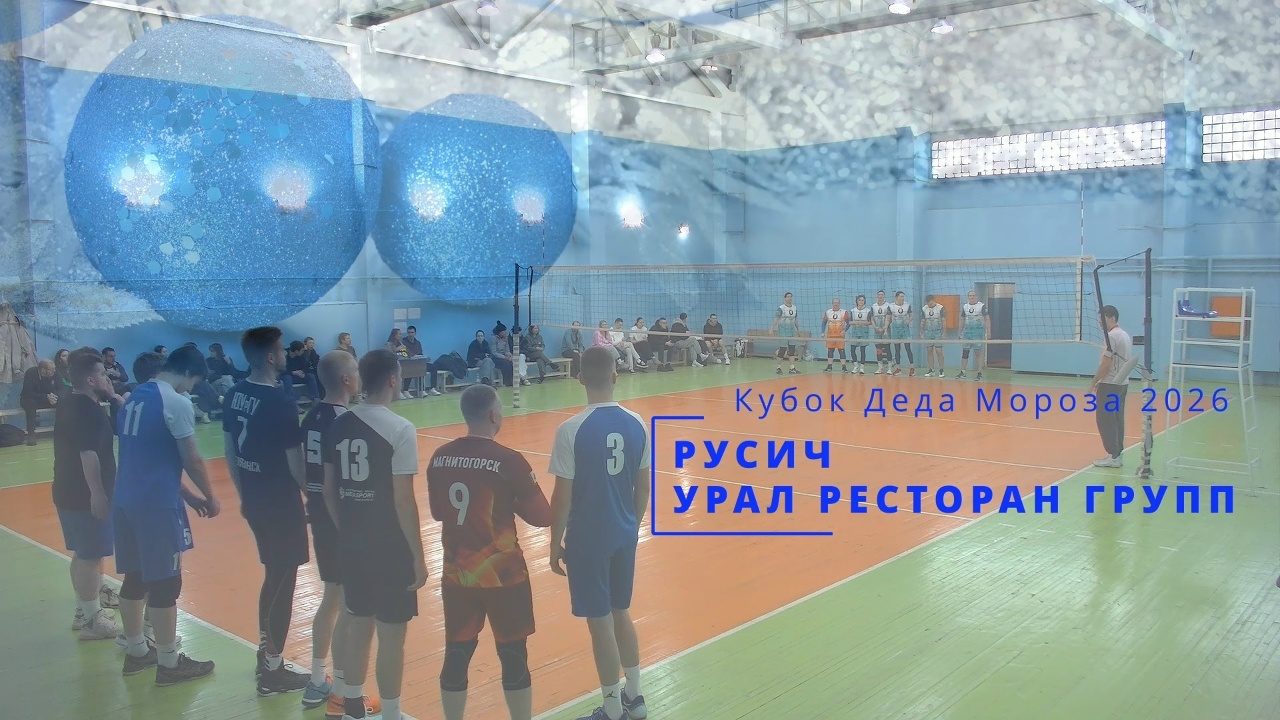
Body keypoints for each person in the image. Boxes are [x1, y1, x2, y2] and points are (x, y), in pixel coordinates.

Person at [428, 383, 551, 720]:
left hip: (457, 575)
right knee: (513, 655)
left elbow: (438, 513)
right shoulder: (509, 461)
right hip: (504, 577)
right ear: (495, 416)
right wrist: (510, 500)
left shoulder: (439, 457)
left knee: (456, 654)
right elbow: (543, 517)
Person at [322, 349, 426, 720]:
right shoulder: (400, 428)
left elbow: (328, 488)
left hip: (352, 543)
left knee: (358, 623)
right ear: (394, 380)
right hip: (389, 548)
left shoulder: (339, 424)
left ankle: (351, 704)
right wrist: (418, 556)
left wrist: (346, 529)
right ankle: (392, 713)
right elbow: (403, 500)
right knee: (392, 635)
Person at [548, 347, 650, 720]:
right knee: (621, 612)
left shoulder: (571, 430)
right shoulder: (638, 423)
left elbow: (561, 498)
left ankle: (611, 709)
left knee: (600, 623)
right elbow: (643, 488)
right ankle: (634, 698)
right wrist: (631, 527)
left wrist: (554, 544)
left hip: (588, 540)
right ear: (615, 377)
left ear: (579, 379)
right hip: (624, 534)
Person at [113, 345, 220, 686]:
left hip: (125, 497)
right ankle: (170, 663)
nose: (190, 389)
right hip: (156, 505)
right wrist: (210, 496)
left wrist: (187, 495)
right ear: (187, 373)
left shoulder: (133, 397)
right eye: (193, 382)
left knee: (136, 576)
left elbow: (150, 458)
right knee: (166, 582)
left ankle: (136, 651)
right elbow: (192, 459)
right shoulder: (175, 402)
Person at [221, 326, 312, 695]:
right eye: (282, 350)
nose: (286, 355)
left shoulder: (234, 394)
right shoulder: (280, 402)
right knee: (284, 580)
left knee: (273, 575)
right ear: (272, 357)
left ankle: (267, 656)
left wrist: (244, 495)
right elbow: (296, 463)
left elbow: (230, 452)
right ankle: (273, 670)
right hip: (280, 503)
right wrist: (315, 496)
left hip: (255, 500)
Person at [298, 351, 380, 717]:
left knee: (331, 598)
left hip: (318, 515)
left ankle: (318, 679)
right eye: (356, 372)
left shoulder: (311, 416)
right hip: (341, 522)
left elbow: (304, 468)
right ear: (347, 380)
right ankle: (344, 695)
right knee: (351, 606)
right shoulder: (346, 422)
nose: (360, 377)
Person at [55, 348, 123, 641]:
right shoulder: (89, 412)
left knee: (83, 554)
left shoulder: (70, 401)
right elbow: (88, 454)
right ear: (91, 380)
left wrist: (114, 398)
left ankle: (85, 611)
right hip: (83, 496)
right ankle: (93, 621)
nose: (108, 377)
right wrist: (98, 494)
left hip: (67, 491)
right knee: (91, 556)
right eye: (103, 374)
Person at [1090, 305, 1132, 468]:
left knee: (1105, 419)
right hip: (1122, 383)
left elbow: (1106, 364)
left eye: (1103, 318)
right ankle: (1117, 454)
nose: (1100, 322)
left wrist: (1094, 382)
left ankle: (1113, 455)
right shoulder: (1125, 335)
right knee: (1117, 419)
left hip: (1110, 384)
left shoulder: (1112, 337)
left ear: (1112, 318)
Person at [20, 359, 58, 445]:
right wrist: (45, 397)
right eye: (52, 369)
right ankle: (31, 433)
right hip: (32, 398)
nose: (54, 371)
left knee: (63, 401)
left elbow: (61, 388)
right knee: (30, 403)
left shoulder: (55, 373)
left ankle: (63, 429)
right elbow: (28, 392)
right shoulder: (31, 373)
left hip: (49, 398)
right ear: (43, 370)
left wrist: (54, 396)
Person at [956, 290, 989, 381]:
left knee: (978, 352)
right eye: (970, 295)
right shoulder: (965, 306)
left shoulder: (981, 306)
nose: (972, 297)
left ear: (976, 296)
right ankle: (963, 372)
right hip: (967, 332)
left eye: (973, 295)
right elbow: (962, 319)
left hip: (978, 332)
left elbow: (987, 319)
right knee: (965, 352)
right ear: (968, 297)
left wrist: (988, 332)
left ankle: (979, 373)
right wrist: (960, 332)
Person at [770, 292, 801, 375]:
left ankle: (792, 368)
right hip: (783, 331)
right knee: (782, 350)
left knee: (792, 350)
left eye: (791, 297)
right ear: (785, 298)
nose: (789, 298)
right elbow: (776, 319)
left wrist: (798, 330)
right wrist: (771, 329)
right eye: (788, 297)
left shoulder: (794, 308)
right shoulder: (781, 308)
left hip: (792, 331)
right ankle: (778, 367)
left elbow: (796, 320)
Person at [888, 291, 914, 376]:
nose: (903, 298)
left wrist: (909, 320)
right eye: (901, 296)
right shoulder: (891, 306)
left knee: (908, 348)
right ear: (896, 297)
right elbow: (888, 318)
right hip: (895, 330)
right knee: (897, 349)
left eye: (903, 296)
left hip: (905, 330)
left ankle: (912, 368)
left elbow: (911, 316)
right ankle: (898, 368)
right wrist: (885, 329)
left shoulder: (907, 305)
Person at [920, 295, 946, 377]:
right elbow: (922, 321)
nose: (929, 304)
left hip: (938, 332)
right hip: (928, 332)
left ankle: (941, 370)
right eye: (928, 303)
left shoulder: (940, 308)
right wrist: (921, 332)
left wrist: (944, 333)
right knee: (929, 351)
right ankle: (931, 369)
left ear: (934, 300)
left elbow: (944, 321)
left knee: (939, 351)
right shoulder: (924, 309)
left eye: (930, 302)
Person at [847, 295, 873, 374]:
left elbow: (870, 322)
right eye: (859, 300)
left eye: (862, 300)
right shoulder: (853, 311)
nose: (861, 301)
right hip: (855, 331)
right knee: (852, 349)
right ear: (856, 301)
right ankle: (856, 365)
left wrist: (862, 323)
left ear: (864, 301)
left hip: (864, 331)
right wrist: (856, 322)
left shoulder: (868, 311)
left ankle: (862, 367)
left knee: (862, 350)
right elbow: (849, 322)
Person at [822, 298, 848, 373]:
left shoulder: (843, 312)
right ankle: (829, 366)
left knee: (841, 351)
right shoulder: (828, 312)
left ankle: (844, 367)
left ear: (839, 304)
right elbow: (824, 322)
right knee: (830, 351)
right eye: (834, 302)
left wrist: (844, 330)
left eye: (837, 303)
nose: (836, 304)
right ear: (832, 303)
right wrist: (822, 332)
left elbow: (848, 323)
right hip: (830, 335)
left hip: (840, 336)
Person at [870, 290, 891, 374]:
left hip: (886, 330)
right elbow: (872, 318)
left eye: (882, 295)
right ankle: (880, 368)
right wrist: (875, 327)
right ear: (877, 296)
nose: (880, 296)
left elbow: (889, 318)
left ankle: (889, 368)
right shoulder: (873, 306)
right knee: (878, 349)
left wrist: (884, 328)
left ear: (884, 296)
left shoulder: (888, 306)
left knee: (887, 349)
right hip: (877, 330)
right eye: (879, 295)